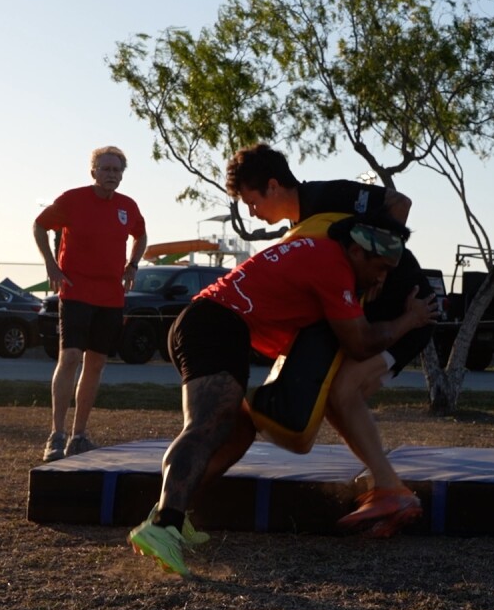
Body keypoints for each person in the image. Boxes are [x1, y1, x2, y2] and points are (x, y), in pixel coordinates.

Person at [128, 214, 437, 576]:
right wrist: (410, 320)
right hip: (213, 322)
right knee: (205, 426)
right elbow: (359, 344)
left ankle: (173, 514)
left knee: (239, 432)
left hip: (219, 324)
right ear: (356, 251)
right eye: (379, 267)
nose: (382, 278)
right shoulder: (332, 265)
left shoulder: (327, 255)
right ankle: (163, 525)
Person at [224, 144, 433, 534]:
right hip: (372, 321)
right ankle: (385, 484)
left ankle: (391, 489)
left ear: (272, 186)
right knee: (334, 395)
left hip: (410, 307)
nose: (252, 212)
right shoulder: (298, 232)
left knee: (341, 392)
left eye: (251, 202)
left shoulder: (325, 196)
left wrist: (379, 269)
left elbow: (399, 203)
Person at [32, 146, 147, 462]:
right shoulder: (73, 200)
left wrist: (133, 264)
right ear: (93, 171)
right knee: (69, 357)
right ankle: (56, 434)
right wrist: (51, 265)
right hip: (75, 291)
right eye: (106, 168)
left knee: (96, 363)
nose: (112, 174)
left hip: (111, 295)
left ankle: (78, 436)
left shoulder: (127, 206)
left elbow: (141, 234)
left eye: (117, 170)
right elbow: (39, 225)